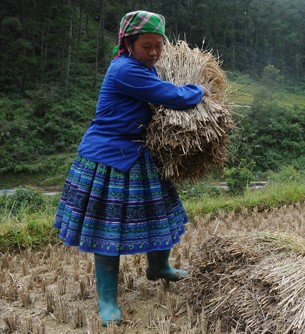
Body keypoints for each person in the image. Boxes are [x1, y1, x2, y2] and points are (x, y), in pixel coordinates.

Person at [53, 10, 209, 327]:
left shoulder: (142, 67)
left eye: (158, 46)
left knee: (161, 215)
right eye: (146, 46)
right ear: (128, 44)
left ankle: (158, 268)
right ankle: (108, 301)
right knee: (107, 231)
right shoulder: (125, 69)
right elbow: (173, 96)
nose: (154, 53)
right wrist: (200, 90)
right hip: (108, 157)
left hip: (139, 154)